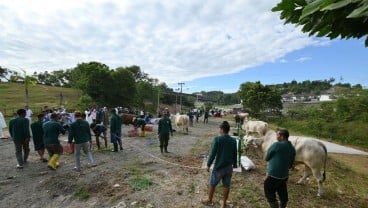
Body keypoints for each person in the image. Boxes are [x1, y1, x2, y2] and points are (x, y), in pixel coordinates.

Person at [202, 121, 237, 208]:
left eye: (219, 128)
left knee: (212, 183)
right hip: (229, 167)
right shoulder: (233, 141)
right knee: (226, 185)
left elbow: (212, 153)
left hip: (219, 167)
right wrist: (235, 165)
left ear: (221, 129)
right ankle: (224, 204)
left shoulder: (217, 139)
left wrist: (208, 165)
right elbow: (235, 154)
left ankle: (209, 200)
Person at [264, 128, 296, 208]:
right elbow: (291, 164)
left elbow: (267, 158)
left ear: (282, 136)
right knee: (282, 191)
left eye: (277, 135)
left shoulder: (276, 145)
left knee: (269, 191)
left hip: (273, 175)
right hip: (284, 176)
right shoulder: (292, 148)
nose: (276, 137)